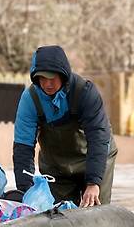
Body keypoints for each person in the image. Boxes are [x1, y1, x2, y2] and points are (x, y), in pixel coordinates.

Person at [13, 45, 118, 208]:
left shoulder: (85, 93)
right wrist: (26, 191)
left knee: (96, 208)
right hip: (57, 168)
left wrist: (93, 183)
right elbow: (23, 147)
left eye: (52, 78)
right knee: (58, 213)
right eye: (42, 78)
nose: (47, 84)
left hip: (94, 157)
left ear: (63, 75)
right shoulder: (30, 100)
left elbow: (98, 137)